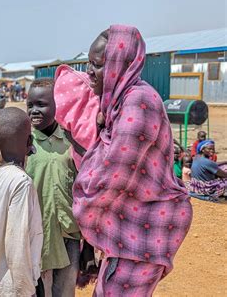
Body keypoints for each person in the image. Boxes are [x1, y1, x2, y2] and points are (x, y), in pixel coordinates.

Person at [69, 25, 193, 296]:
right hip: (129, 226)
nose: (89, 71)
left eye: (99, 65)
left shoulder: (138, 103)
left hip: (148, 230)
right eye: (88, 63)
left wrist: (76, 208)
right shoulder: (118, 101)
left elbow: (114, 174)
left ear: (120, 65)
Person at [25, 78, 80, 297]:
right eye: (30, 105)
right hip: (36, 237)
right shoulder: (23, 143)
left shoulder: (71, 142)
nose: (34, 111)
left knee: (65, 291)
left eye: (41, 104)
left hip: (68, 235)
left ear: (58, 104)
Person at [0, 107, 43, 296]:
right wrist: (26, 289)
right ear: (30, 142)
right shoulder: (21, 182)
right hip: (14, 287)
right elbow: (16, 242)